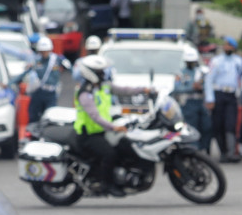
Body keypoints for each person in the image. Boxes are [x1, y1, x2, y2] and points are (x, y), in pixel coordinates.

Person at [73, 54, 150, 196]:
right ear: (90, 73)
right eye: (100, 72)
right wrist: (113, 127)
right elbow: (94, 116)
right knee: (109, 154)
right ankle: (106, 185)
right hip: (88, 135)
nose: (103, 74)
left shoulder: (104, 86)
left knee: (125, 144)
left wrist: (143, 90)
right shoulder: (85, 93)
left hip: (103, 131)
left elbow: (124, 91)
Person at [203, 36, 242, 163]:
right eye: (226, 45)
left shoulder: (238, 61)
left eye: (230, 45)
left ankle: (231, 153)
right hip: (218, 94)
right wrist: (210, 99)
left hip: (231, 95)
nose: (228, 47)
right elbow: (209, 80)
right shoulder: (216, 61)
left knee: (230, 125)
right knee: (218, 124)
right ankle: (223, 152)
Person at [173, 47, 211, 153]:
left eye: (193, 62)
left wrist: (201, 88)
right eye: (189, 62)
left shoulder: (201, 72)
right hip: (188, 103)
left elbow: (208, 86)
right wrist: (191, 87)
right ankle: (194, 150)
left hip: (201, 102)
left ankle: (204, 148)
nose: (191, 64)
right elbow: (177, 88)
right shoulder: (180, 73)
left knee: (207, 126)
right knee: (192, 127)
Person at [27, 36, 71, 124]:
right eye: (42, 51)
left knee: (51, 116)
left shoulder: (57, 59)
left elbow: (70, 68)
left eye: (46, 51)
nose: (44, 53)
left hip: (51, 93)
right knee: (33, 115)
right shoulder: (36, 60)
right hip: (39, 91)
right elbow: (26, 72)